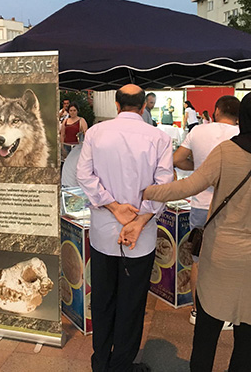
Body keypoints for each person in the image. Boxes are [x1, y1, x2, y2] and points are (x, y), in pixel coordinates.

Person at [144, 89, 251, 372]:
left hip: (221, 254)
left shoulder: (226, 152)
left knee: (206, 333)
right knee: (248, 339)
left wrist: (146, 191)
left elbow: (187, 186)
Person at [77, 84, 173, 372]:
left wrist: (112, 206)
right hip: (140, 237)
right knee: (132, 303)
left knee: (104, 298)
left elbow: (84, 175)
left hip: (104, 232)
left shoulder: (96, 132)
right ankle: (121, 365)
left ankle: (101, 362)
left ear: (117, 106)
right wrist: (140, 219)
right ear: (143, 107)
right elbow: (163, 186)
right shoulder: (159, 137)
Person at [173, 95, 240, 329]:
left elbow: (177, 159)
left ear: (217, 110)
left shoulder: (198, 132)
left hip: (200, 205)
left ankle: (196, 311)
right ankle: (224, 314)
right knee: (228, 261)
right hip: (232, 207)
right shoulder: (242, 135)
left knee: (199, 262)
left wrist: (200, 170)